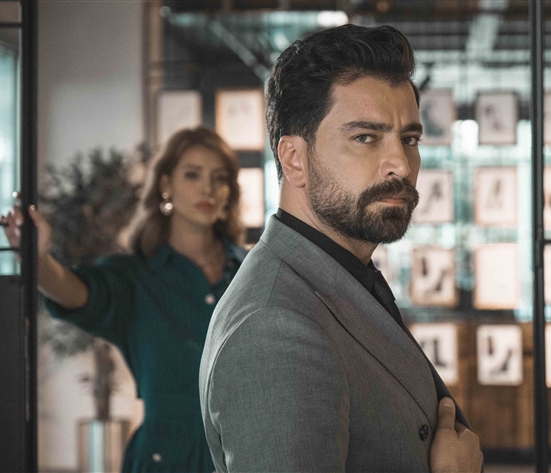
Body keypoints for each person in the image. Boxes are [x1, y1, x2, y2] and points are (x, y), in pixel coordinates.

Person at [199, 24, 483, 473]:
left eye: (409, 139)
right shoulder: (274, 328)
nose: (400, 164)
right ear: (294, 159)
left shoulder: (335, 277)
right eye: (365, 137)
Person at [1, 127, 248, 472]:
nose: (208, 188)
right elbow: (72, 290)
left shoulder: (252, 272)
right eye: (193, 175)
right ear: (166, 185)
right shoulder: (135, 278)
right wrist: (37, 259)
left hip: (244, 454)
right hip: (165, 460)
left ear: (229, 191)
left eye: (219, 178)